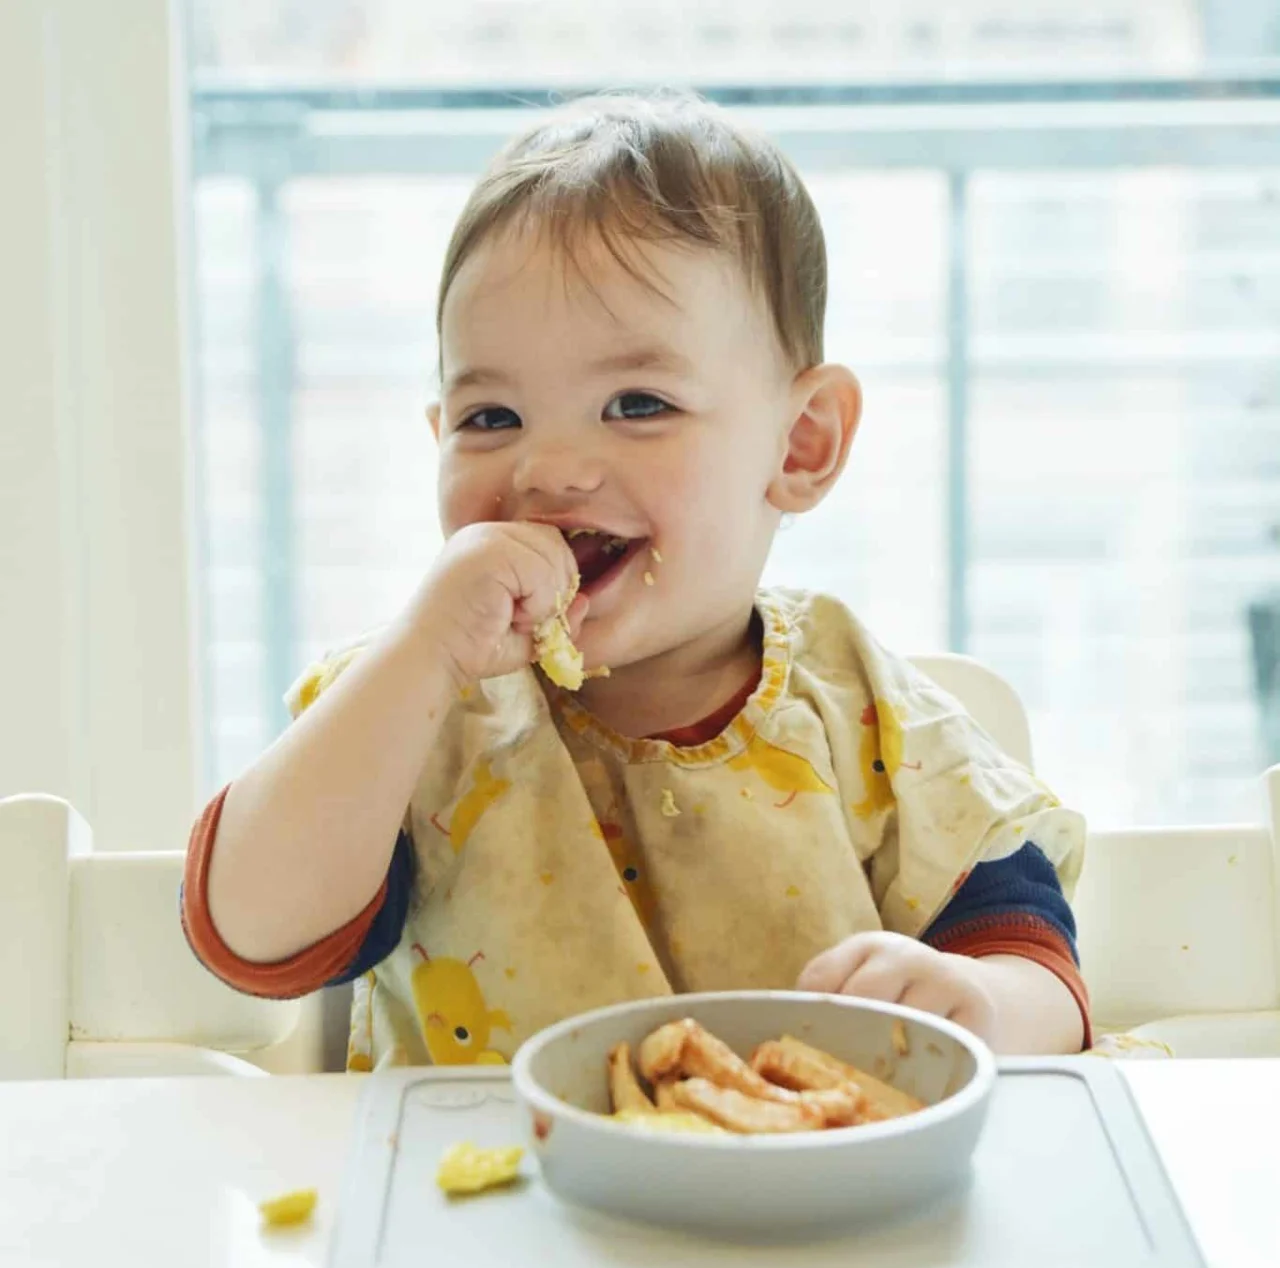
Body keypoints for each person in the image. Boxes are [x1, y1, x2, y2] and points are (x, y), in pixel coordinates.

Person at [181, 91, 1090, 1071]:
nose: (550, 468)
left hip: (804, 1204)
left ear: (799, 442)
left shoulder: (863, 712)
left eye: (635, 403)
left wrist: (978, 1003)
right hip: (490, 1207)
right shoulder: (420, 711)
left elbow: (1035, 959)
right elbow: (250, 933)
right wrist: (420, 656)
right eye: (492, 416)